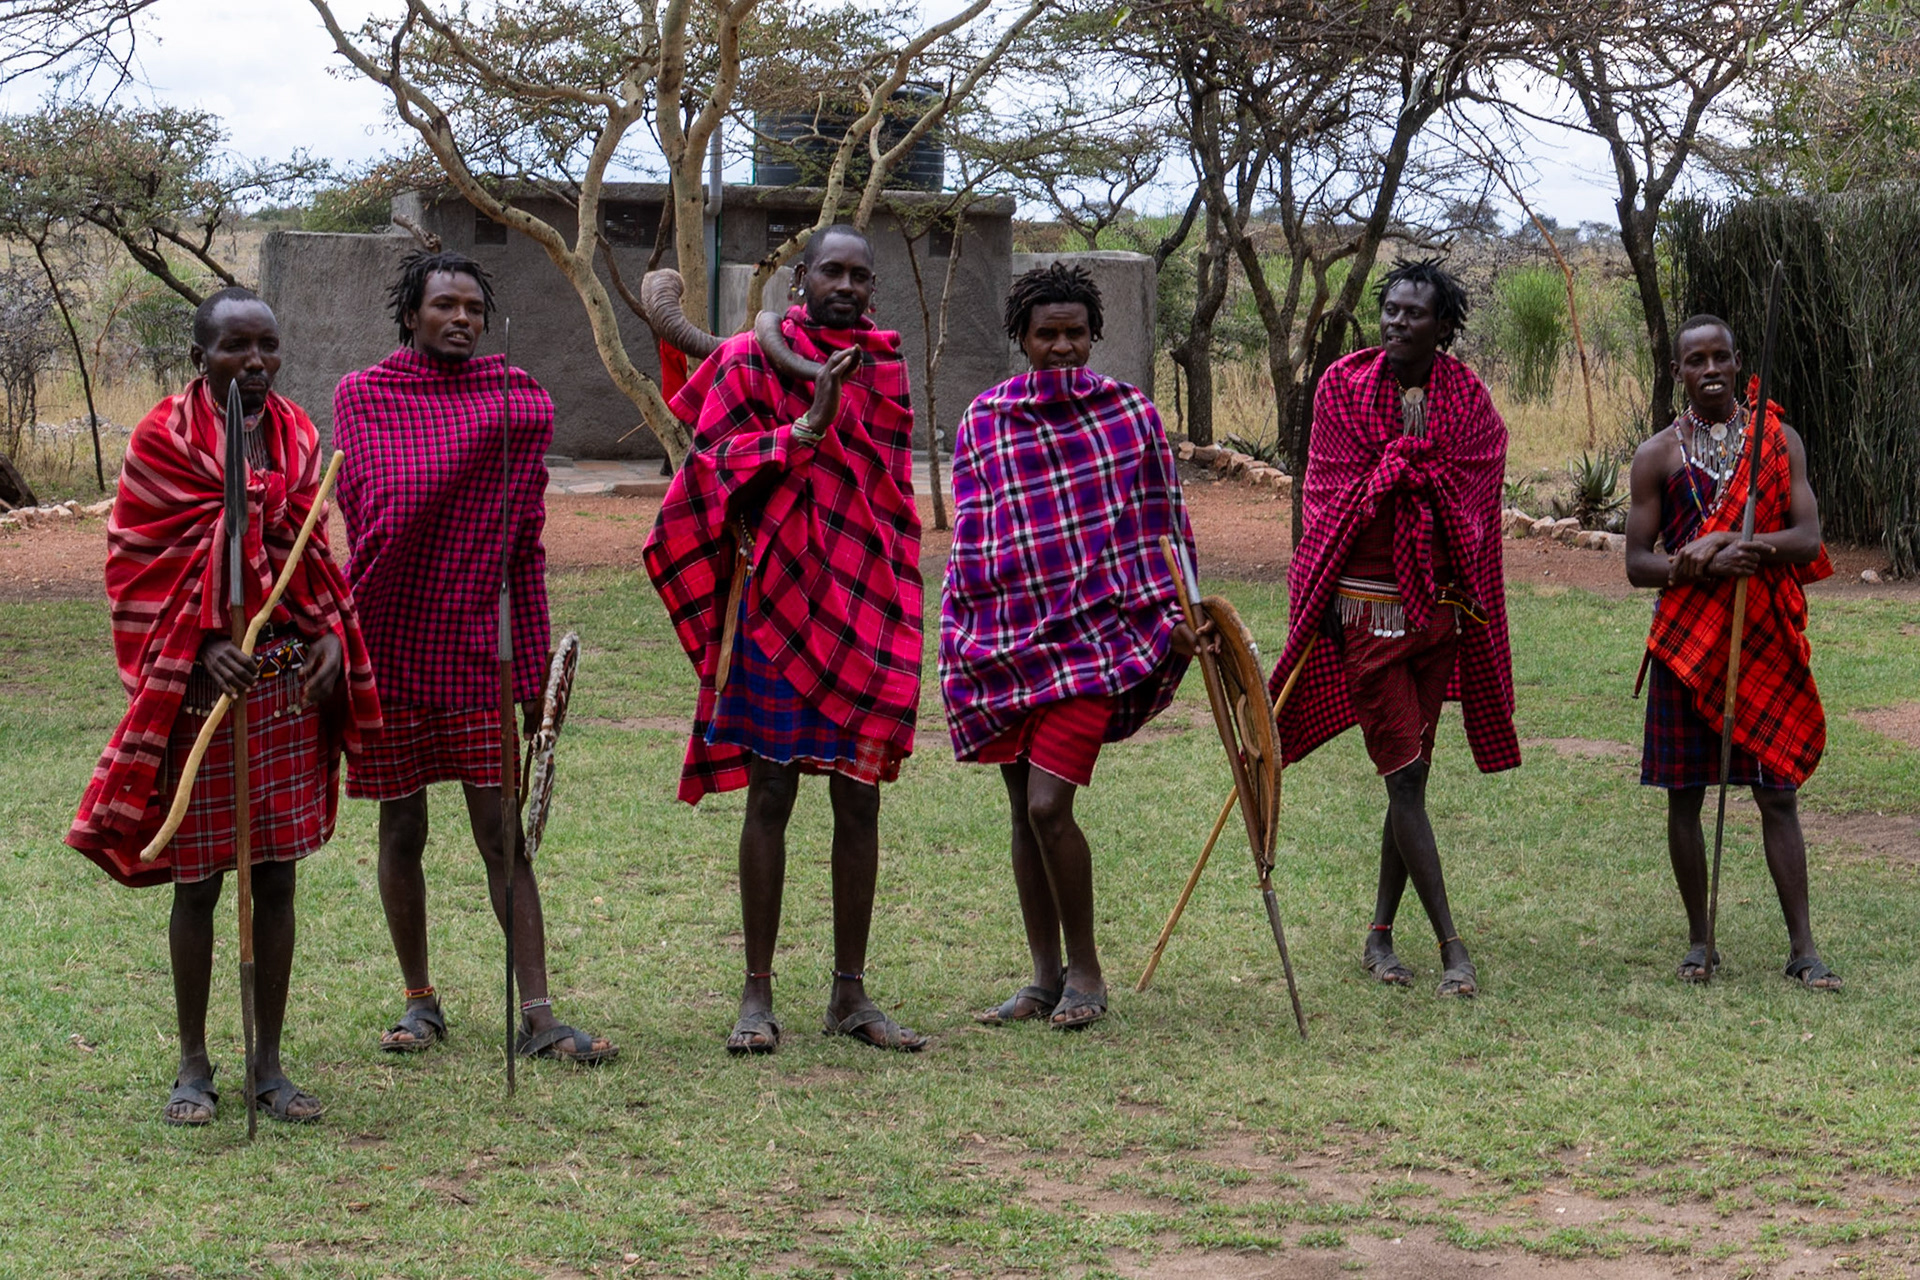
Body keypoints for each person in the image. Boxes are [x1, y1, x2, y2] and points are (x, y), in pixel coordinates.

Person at [66, 287, 382, 1124]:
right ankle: (194, 1065)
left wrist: (327, 642)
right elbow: (139, 565)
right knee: (199, 883)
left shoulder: (300, 435)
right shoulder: (161, 441)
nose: (255, 363)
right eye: (235, 348)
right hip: (203, 692)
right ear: (200, 355)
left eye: (268, 347)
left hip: (279, 689)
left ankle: (269, 1066)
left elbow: (312, 559)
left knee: (275, 877)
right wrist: (204, 643)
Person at [644, 225, 927, 1055]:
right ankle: (756, 994)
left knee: (860, 799)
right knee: (770, 794)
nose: (845, 284)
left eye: (858, 274)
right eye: (830, 271)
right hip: (773, 600)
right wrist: (790, 439)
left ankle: (851, 994)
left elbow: (887, 485)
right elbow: (708, 466)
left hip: (867, 598)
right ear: (800, 279)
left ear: (872, 286)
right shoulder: (747, 360)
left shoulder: (882, 364)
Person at [333, 251, 617, 1064]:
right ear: (411, 314)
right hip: (387, 640)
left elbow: (523, 547)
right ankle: (420, 1003)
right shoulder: (365, 397)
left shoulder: (513, 402)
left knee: (503, 835)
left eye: (472, 308)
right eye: (444, 305)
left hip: (479, 645)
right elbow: (373, 512)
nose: (460, 319)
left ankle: (539, 1015)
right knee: (402, 825)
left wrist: (531, 671)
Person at [941, 263, 1196, 1031]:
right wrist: (964, 632)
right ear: (1021, 338)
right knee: (1022, 811)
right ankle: (1043, 979)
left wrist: (1177, 609)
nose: (1061, 347)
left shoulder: (1130, 416)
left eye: (1074, 333)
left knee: (1052, 806)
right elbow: (974, 539)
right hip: (1005, 643)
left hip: (1095, 642)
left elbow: (1160, 522)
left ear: (1095, 336)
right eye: (1046, 334)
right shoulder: (984, 420)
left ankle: (1087, 973)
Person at [1265, 259, 1518, 999]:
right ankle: (1452, 948)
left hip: (1439, 612)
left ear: (1445, 326)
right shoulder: (1343, 386)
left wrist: (1415, 471)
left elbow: (1476, 486)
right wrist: (1398, 470)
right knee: (1403, 773)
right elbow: (1331, 490)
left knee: (1409, 775)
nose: (1398, 323)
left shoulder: (1467, 397)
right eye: (1391, 310)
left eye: (1415, 313)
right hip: (1365, 609)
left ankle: (1378, 934)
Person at [1623, 314, 1839, 989]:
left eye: (1720, 357)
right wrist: (1702, 563)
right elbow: (1636, 564)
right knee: (1684, 797)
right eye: (1696, 361)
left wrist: (1746, 548)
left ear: (1738, 362)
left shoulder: (1776, 442)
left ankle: (1804, 949)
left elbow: (1807, 538)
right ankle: (1698, 940)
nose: (1709, 370)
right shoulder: (1657, 455)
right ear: (1679, 371)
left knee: (1778, 797)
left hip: (1762, 641)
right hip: (1687, 648)